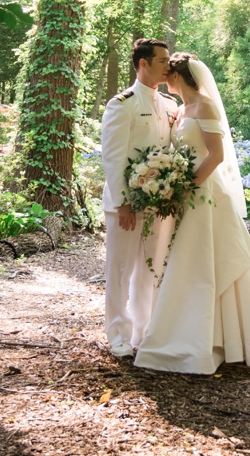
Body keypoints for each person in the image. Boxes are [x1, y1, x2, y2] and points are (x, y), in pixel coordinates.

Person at [134, 52, 250, 374]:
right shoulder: (180, 111)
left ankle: (223, 340)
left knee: (205, 262)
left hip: (204, 193)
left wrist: (188, 186)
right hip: (185, 194)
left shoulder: (205, 106)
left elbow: (216, 155)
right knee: (190, 262)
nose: (165, 76)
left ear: (179, 77)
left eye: (169, 73)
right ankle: (194, 334)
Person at [100, 38, 177, 357]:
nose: (167, 65)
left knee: (150, 269)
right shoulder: (123, 103)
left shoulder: (170, 106)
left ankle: (143, 335)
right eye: (161, 60)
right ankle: (118, 335)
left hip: (158, 203)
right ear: (143, 64)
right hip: (126, 205)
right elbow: (113, 158)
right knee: (120, 270)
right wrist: (123, 202)